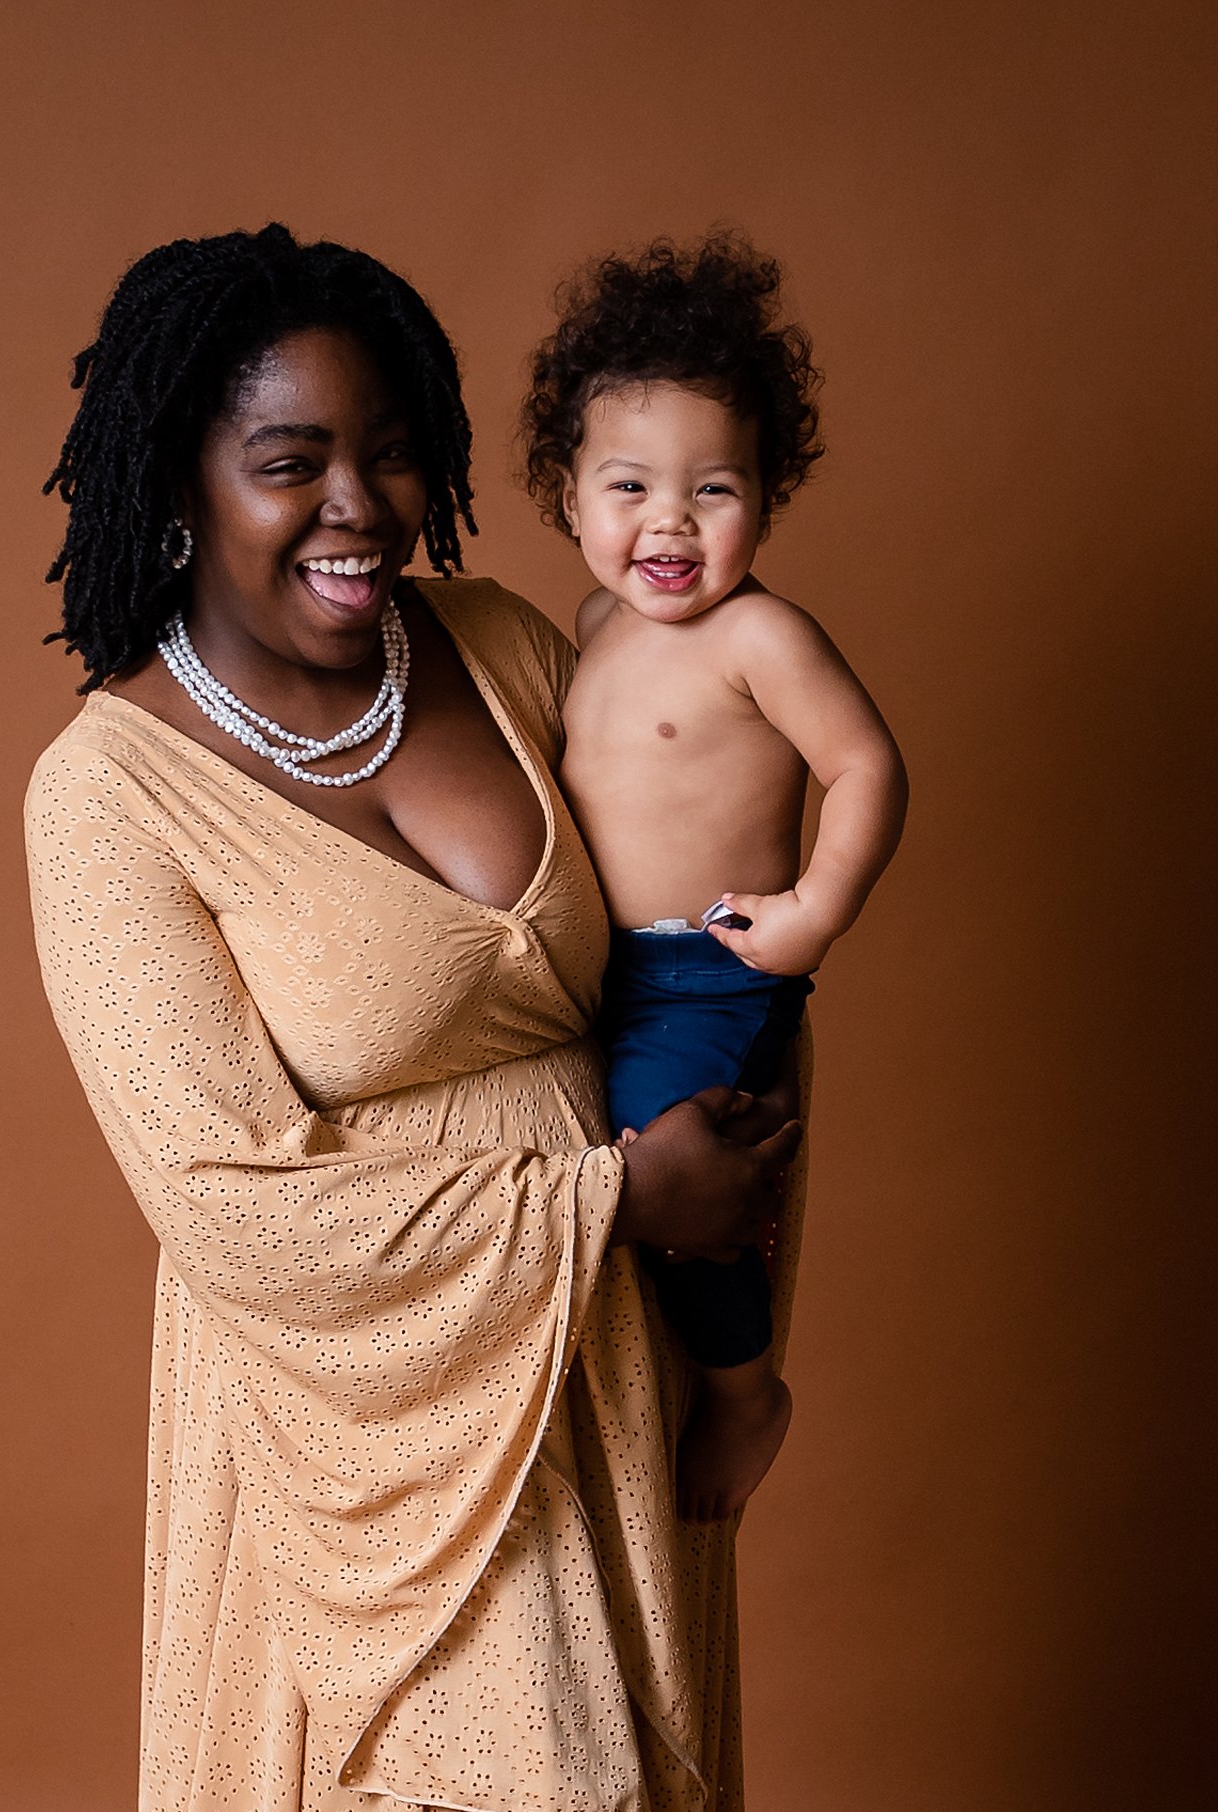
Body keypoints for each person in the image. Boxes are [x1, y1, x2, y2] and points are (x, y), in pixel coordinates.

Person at [26, 224, 805, 1812]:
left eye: (386, 448)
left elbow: (715, 970)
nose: (356, 502)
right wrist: (619, 1200)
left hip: (607, 1369)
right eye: (289, 459)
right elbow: (233, 1211)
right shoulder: (109, 795)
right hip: (349, 1436)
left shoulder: (506, 648)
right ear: (178, 479)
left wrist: (744, 1341)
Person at [523, 236, 908, 1523]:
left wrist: (810, 913)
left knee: (664, 1154)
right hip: (604, 966)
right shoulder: (590, 629)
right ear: (567, 494)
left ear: (767, 497)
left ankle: (744, 1390)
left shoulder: (760, 634)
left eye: (714, 488)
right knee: (554, 1150)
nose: (669, 524)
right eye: (628, 485)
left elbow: (866, 768)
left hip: (711, 961)